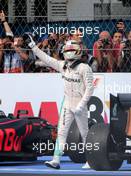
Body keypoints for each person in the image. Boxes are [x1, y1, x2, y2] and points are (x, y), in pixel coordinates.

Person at [23, 33, 94, 169]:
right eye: (66, 51)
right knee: (61, 132)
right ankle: (56, 160)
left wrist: (81, 104)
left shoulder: (85, 68)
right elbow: (47, 59)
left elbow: (90, 89)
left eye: (70, 51)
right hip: (67, 104)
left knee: (84, 132)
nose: (68, 53)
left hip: (80, 105)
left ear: (78, 51)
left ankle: (90, 160)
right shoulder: (63, 66)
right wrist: (33, 46)